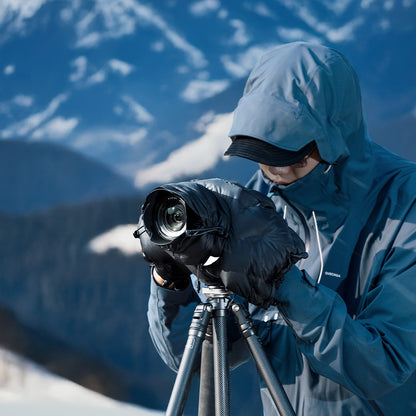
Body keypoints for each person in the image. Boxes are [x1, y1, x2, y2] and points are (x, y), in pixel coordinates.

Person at [143, 42, 416, 415]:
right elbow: (199, 360)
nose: (278, 172)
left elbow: (384, 365)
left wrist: (285, 285)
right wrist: (170, 279)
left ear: (336, 138)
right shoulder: (255, 206)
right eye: (266, 156)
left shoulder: (404, 205)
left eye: (293, 156)